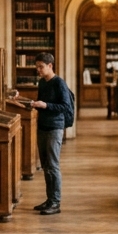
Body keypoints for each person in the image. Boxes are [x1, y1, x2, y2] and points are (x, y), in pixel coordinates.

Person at [30, 52, 73, 215]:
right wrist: (33, 104)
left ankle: (55, 202)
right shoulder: (42, 83)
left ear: (50, 66)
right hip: (42, 126)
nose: (38, 70)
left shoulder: (59, 83)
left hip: (55, 127)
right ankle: (50, 199)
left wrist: (46, 105)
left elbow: (65, 106)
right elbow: (42, 104)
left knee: (53, 166)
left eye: (41, 67)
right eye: (37, 67)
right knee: (46, 165)